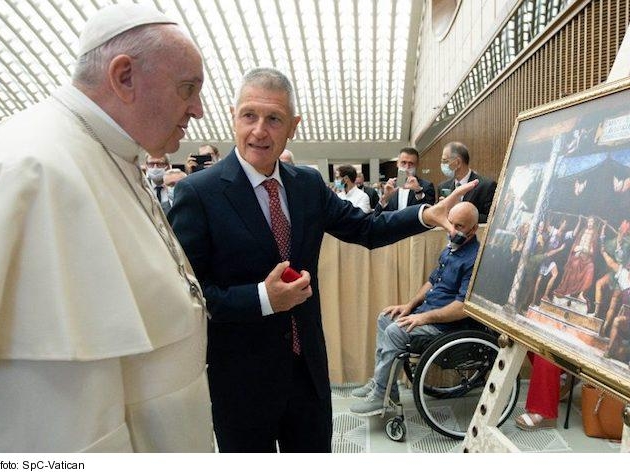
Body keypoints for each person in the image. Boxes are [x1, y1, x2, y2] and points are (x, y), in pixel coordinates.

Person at [168, 67, 478, 453]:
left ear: (293, 126)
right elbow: (192, 296)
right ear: (233, 115)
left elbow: (364, 228)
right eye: (249, 115)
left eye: (274, 118)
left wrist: (422, 215)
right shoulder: (199, 194)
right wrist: (263, 299)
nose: (259, 130)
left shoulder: (307, 185)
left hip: (307, 374)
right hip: (242, 382)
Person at [0, 3, 213, 452]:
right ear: (124, 76)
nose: (199, 110)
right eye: (187, 89)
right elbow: (49, 411)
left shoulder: (116, 153)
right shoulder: (32, 168)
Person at [349, 202, 481, 415]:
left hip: (447, 326)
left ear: (473, 229)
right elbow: (432, 282)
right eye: (451, 224)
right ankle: (384, 387)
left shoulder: (474, 259)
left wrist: (424, 318)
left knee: (395, 331)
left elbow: (461, 308)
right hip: (429, 313)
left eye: (460, 226)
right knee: (386, 317)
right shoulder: (451, 249)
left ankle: (381, 394)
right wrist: (409, 306)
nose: (453, 231)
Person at [437, 141, 497, 223]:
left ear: (457, 162)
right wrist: (441, 209)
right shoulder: (443, 187)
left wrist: (460, 209)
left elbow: (490, 219)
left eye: (445, 161)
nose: (442, 164)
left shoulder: (487, 186)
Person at [376, 147, 435, 213]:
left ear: (417, 165)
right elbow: (377, 216)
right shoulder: (390, 186)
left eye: (411, 164)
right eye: (403, 162)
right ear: (397, 163)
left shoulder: (426, 186)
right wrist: (385, 198)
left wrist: (418, 191)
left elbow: (430, 213)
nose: (406, 167)